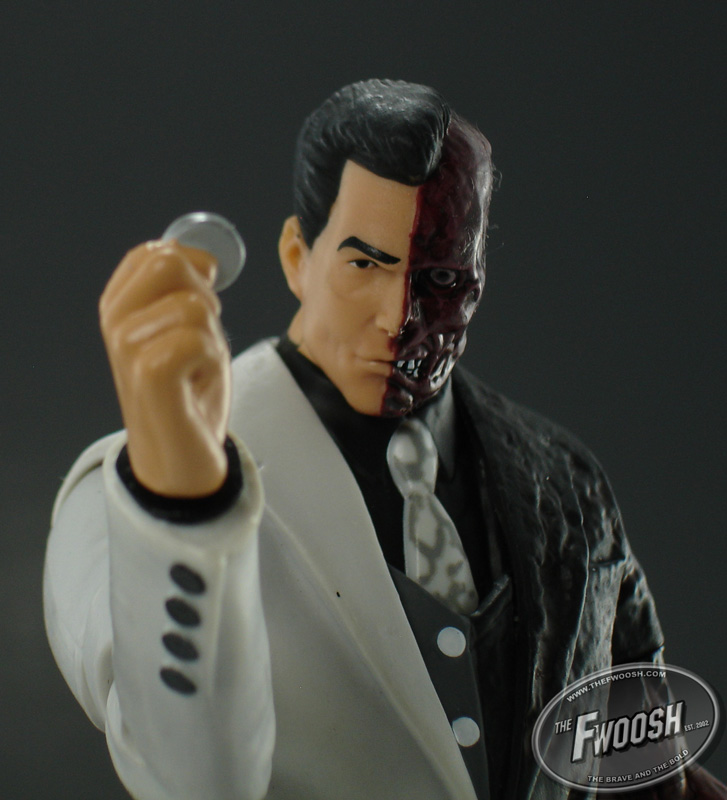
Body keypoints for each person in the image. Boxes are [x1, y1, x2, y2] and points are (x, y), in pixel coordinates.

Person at [44, 80, 724, 800]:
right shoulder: (127, 496)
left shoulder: (564, 479)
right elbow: (189, 777)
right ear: (296, 257)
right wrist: (183, 500)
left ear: (478, 282)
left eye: (441, 278)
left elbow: (640, 738)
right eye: (365, 264)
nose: (399, 318)